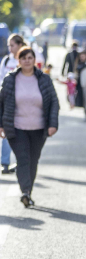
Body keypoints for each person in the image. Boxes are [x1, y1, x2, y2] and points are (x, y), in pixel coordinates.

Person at [0, 48, 59, 208]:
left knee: (33, 160)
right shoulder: (10, 79)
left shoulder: (44, 79)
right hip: (16, 128)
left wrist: (53, 124)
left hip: (39, 128)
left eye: (30, 57)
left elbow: (54, 102)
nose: (27, 60)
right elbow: (2, 103)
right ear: (18, 61)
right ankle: (25, 191)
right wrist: (0, 125)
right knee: (23, 159)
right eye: (23, 58)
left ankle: (28, 192)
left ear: (34, 60)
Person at [0, 33, 26, 175]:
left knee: (22, 132)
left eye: (12, 45)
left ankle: (21, 162)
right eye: (9, 45)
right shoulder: (6, 61)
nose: (10, 48)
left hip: (23, 101)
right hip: (8, 100)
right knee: (7, 129)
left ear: (20, 45)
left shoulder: (26, 60)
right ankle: (5, 162)